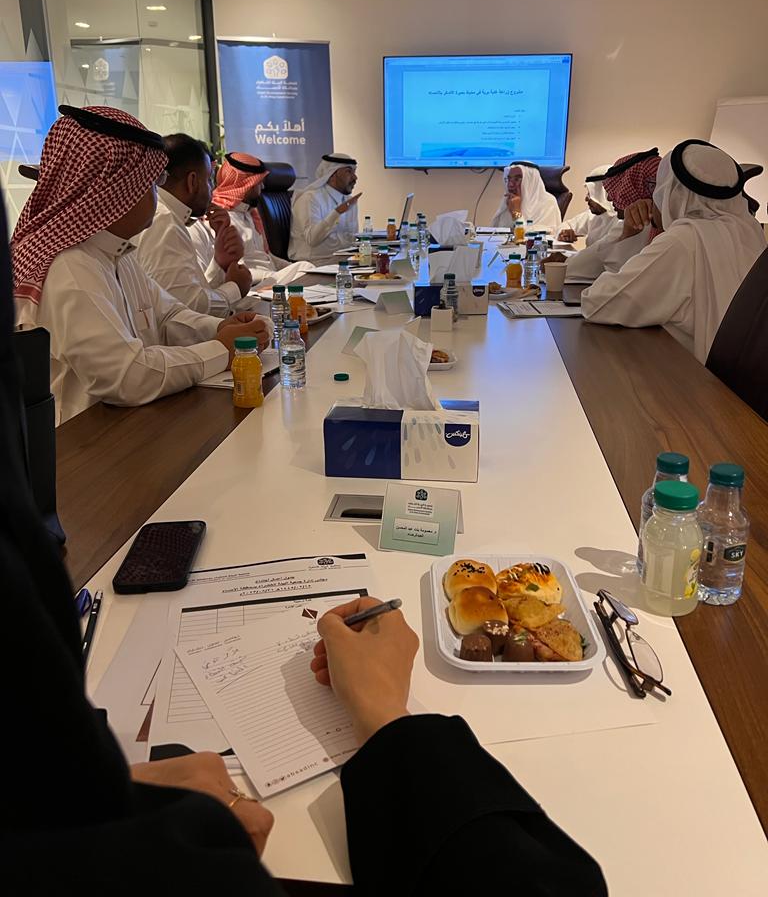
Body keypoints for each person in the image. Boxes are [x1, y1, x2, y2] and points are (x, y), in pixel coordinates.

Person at [0, 184, 607, 893]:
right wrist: (386, 717)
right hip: (105, 448)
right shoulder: (79, 267)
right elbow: (129, 372)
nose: (153, 192)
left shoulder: (125, 255)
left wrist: (110, 803)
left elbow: (177, 317)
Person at [11, 106, 270, 424]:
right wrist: (220, 350)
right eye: (151, 184)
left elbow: (167, 315)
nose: (156, 196)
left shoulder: (116, 252)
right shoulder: (69, 265)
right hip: (86, 439)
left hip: (132, 423)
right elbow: (126, 376)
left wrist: (221, 329)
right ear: (117, 190)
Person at [582, 140, 767, 363]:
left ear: (672, 193)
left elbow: (599, 303)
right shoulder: (750, 230)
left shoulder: (683, 240)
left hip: (695, 374)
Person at [136, 134, 252, 315]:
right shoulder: (164, 220)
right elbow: (186, 309)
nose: (212, 189)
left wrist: (219, 263)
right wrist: (235, 288)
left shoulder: (171, 217)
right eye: (208, 180)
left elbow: (187, 294)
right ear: (192, 182)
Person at [559, 149, 662, 283]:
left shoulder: (638, 225)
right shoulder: (650, 224)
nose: (609, 197)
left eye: (616, 189)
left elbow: (580, 267)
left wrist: (563, 263)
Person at [211, 152, 294, 285]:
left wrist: (291, 268)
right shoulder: (221, 220)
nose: (263, 187)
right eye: (259, 183)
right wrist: (276, 275)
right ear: (245, 186)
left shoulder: (250, 214)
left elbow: (266, 258)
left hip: (271, 278)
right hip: (251, 286)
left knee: (306, 268)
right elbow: (235, 269)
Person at [288, 153, 362, 264]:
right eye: (348, 172)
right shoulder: (310, 198)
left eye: (354, 172)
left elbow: (349, 239)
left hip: (341, 260)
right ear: (332, 174)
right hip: (314, 263)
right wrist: (336, 213)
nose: (355, 178)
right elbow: (312, 239)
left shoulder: (349, 200)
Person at [491, 164, 561, 235]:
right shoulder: (510, 200)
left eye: (517, 179)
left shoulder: (547, 202)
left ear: (530, 181)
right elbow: (498, 232)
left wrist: (516, 213)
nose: (510, 185)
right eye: (509, 179)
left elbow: (531, 237)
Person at [558, 165, 616, 243]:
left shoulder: (620, 221)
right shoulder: (592, 216)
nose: (586, 199)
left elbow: (601, 249)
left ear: (602, 193)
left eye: (590, 193)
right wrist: (564, 233)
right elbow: (566, 225)